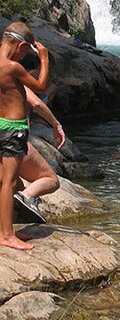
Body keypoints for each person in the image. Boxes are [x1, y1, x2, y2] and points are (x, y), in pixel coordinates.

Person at [0, 22, 50, 250]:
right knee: (10, 182)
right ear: (20, 45)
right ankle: (7, 235)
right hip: (13, 128)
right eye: (25, 52)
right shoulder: (13, 67)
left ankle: (4, 231)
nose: (24, 57)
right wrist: (44, 58)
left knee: (4, 180)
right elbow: (40, 86)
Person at [13, 86, 65, 224]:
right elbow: (36, 103)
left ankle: (11, 224)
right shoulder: (11, 76)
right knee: (51, 180)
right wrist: (56, 125)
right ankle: (26, 197)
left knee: (13, 184)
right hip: (10, 135)